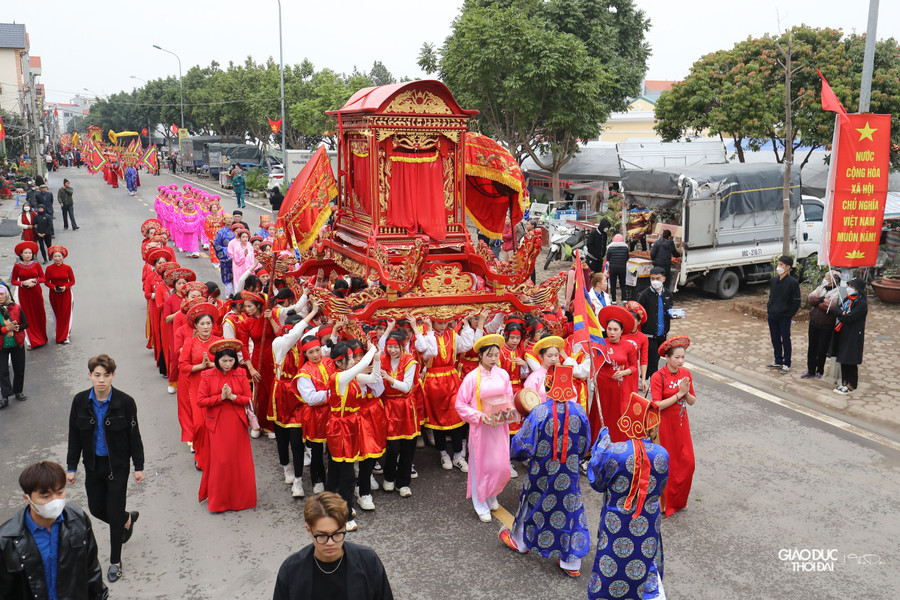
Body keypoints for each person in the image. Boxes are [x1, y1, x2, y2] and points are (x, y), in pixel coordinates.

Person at [500, 363, 591, 577]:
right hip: (569, 475)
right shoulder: (579, 412)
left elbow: (522, 444)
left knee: (531, 504)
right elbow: (585, 444)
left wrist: (517, 456)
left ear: (549, 384)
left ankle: (521, 542)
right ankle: (571, 563)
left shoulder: (540, 412)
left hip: (541, 472)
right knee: (570, 510)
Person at [66, 354, 145, 583]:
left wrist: (138, 466)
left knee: (112, 509)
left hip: (118, 466)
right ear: (89, 376)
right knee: (96, 508)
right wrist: (71, 467)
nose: (101, 380)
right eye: (97, 375)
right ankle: (126, 519)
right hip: (93, 465)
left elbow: (134, 436)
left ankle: (115, 562)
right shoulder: (80, 401)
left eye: (106, 375)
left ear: (113, 376)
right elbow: (74, 435)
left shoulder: (125, 402)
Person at [586, 393, 668, 600]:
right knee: (646, 557)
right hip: (648, 519)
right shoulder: (662, 454)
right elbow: (661, 485)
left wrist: (600, 447)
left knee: (612, 558)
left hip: (617, 519)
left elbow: (597, 481)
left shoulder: (615, 451)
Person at [0, 461, 108, 600]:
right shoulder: (6, 539)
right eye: (45, 496)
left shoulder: (78, 521)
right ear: (27, 498)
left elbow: (91, 571)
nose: (55, 501)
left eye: (59, 492)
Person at [273, 492, 394, 600]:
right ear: (309, 531)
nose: (330, 542)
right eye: (322, 536)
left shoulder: (368, 561)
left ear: (345, 526)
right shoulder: (291, 569)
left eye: (337, 534)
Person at [455, 334, 513, 522]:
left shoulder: (503, 374)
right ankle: (480, 502)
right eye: (490, 355)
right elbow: (460, 404)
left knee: (500, 465)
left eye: (496, 355)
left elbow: (509, 397)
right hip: (481, 428)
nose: (494, 359)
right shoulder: (472, 378)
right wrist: (479, 416)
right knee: (482, 465)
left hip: (499, 427)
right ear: (480, 356)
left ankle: (492, 494)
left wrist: (509, 412)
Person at [197, 339, 257, 512]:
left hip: (237, 422)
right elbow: (201, 401)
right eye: (224, 361)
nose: (228, 364)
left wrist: (232, 398)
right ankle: (219, 502)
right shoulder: (206, 375)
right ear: (217, 360)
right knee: (221, 461)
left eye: (231, 360)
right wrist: (221, 398)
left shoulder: (240, 374)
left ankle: (241, 500)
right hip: (217, 423)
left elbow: (248, 398)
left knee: (239, 461)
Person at [650, 335, 696, 517]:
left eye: (683, 357)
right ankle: (664, 503)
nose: (680, 361)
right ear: (667, 358)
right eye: (676, 357)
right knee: (667, 464)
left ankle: (679, 501)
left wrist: (686, 394)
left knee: (688, 463)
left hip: (682, 425)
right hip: (664, 426)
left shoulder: (686, 374)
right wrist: (679, 394)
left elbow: (692, 400)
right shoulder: (657, 376)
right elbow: (656, 405)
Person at [380, 331, 420, 498]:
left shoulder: (410, 361)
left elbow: (406, 387)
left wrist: (389, 379)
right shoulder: (381, 360)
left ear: (403, 346)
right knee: (392, 446)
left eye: (396, 347)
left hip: (405, 406)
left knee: (407, 446)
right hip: (388, 405)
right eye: (390, 346)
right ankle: (389, 477)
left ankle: (403, 483)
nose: (393, 350)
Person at [595, 305, 639, 444]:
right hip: (602, 386)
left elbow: (634, 367)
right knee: (600, 414)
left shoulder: (629, 346)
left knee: (617, 415)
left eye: (615, 330)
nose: (612, 333)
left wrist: (624, 372)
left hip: (619, 388)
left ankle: (617, 443)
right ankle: (597, 444)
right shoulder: (600, 344)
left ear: (621, 331)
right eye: (609, 329)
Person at [832, 277, 869, 395]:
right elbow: (836, 311)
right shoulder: (847, 299)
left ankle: (852, 385)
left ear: (858, 289)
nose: (849, 289)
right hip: (844, 332)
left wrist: (843, 315)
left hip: (854, 334)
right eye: (849, 286)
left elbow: (851, 317)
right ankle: (844, 382)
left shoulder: (861, 303)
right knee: (843, 357)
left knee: (851, 359)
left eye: (852, 287)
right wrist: (843, 313)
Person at [802, 270, 841, 379]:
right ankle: (810, 370)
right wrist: (821, 299)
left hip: (827, 324)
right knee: (812, 347)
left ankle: (820, 370)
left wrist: (817, 302)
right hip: (814, 322)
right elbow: (810, 299)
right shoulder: (820, 288)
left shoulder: (837, 292)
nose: (825, 279)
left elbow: (830, 306)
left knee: (822, 349)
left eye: (827, 277)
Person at [766, 255, 801, 374]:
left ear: (788, 267)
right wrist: (769, 308)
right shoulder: (774, 280)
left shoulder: (792, 283)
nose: (778, 267)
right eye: (778, 264)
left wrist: (789, 315)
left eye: (781, 265)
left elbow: (796, 301)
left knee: (785, 339)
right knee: (775, 338)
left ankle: (787, 363)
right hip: (772, 315)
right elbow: (772, 296)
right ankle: (778, 360)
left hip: (784, 316)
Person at [637, 267, 673, 381]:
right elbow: (638, 314)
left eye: (658, 278)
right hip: (649, 335)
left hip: (662, 334)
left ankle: (644, 377)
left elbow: (669, 310)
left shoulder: (668, 294)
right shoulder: (644, 295)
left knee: (656, 358)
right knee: (652, 360)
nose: (655, 281)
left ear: (664, 279)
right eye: (652, 278)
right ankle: (653, 381)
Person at [11, 241, 49, 349]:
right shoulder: (17, 266)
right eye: (26, 253)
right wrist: (23, 283)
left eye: (30, 253)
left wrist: (34, 281)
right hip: (24, 293)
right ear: (21, 254)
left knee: (39, 313)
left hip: (36, 292)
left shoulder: (36, 265)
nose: (28, 255)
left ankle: (42, 337)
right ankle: (32, 341)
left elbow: (43, 278)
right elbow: (13, 281)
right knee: (27, 315)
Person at [0, 283, 28, 408]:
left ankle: (18, 391)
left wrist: (17, 327)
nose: (0, 296)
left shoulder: (16, 307)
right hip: (1, 346)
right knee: (2, 371)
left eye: (1, 293)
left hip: (17, 343)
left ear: (6, 294)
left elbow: (25, 324)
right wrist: (7, 329)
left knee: (19, 369)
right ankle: (5, 397)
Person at [43, 245, 75, 344]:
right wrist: (53, 287)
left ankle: (64, 336)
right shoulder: (49, 268)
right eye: (55, 256)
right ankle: (60, 333)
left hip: (66, 294)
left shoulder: (68, 268)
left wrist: (65, 286)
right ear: (52, 257)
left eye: (59, 256)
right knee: (57, 314)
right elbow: (46, 281)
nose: (57, 258)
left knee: (66, 314)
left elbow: (72, 281)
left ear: (63, 257)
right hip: (54, 294)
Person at [604, 233, 629, 304]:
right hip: (622, 268)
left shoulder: (610, 248)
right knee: (623, 284)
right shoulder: (625, 248)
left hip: (613, 268)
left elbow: (608, 258)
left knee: (613, 284)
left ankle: (614, 300)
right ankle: (624, 299)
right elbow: (627, 258)